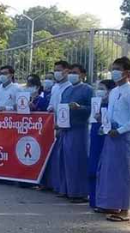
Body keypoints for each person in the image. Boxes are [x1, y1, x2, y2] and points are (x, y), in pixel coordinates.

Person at [95, 57, 130, 222]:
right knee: (108, 172)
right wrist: (102, 121)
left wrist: (119, 130)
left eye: (117, 68)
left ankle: (124, 210)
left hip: (122, 137)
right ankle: (111, 204)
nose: (114, 72)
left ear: (127, 72)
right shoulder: (113, 91)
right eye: (113, 68)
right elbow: (111, 114)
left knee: (122, 173)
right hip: (109, 135)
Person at [56, 63, 93, 203]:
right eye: (70, 72)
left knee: (77, 161)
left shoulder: (88, 90)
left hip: (79, 129)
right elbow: (61, 108)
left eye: (75, 72)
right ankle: (66, 189)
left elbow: (92, 108)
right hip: (65, 129)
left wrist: (80, 107)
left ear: (83, 75)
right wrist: (59, 124)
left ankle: (79, 192)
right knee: (64, 160)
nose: (72, 74)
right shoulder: (66, 90)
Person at [41, 60, 73, 192]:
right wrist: (49, 108)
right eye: (55, 70)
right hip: (51, 123)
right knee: (51, 154)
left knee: (61, 155)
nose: (57, 73)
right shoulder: (55, 87)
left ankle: (61, 185)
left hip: (63, 124)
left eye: (59, 70)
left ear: (66, 71)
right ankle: (50, 183)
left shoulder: (70, 87)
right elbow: (52, 103)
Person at [88, 79, 115, 209]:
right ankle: (93, 200)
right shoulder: (96, 104)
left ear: (110, 91)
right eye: (98, 88)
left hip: (107, 138)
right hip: (95, 138)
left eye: (102, 88)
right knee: (93, 168)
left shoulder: (113, 107)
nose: (99, 91)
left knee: (104, 169)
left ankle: (105, 202)